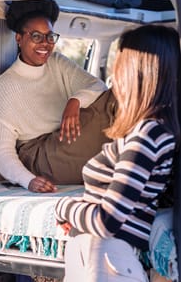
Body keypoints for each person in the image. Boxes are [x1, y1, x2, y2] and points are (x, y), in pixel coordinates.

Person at [55, 24, 181, 282]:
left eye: (120, 62)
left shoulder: (146, 136)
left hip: (105, 258)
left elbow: (106, 221)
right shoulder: (152, 131)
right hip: (101, 257)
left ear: (137, 71)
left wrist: (64, 207)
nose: (115, 74)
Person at [0, 0, 116, 193]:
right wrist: (28, 180)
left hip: (65, 137)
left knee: (117, 97)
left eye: (50, 37)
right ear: (19, 38)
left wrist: (75, 101)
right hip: (39, 155)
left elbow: (96, 86)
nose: (45, 44)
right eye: (36, 36)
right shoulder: (6, 86)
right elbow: (2, 152)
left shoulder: (56, 62)